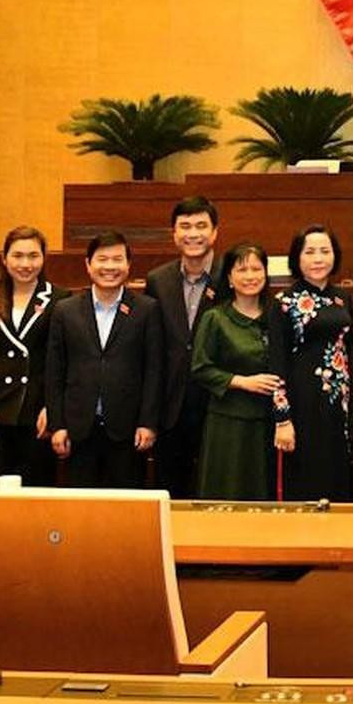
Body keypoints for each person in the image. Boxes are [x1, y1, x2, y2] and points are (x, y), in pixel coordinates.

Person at [45, 232, 164, 488]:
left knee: (127, 509)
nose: (109, 267)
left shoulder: (147, 309)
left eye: (117, 259)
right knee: (81, 511)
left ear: (128, 265)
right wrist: (57, 425)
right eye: (102, 259)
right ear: (88, 264)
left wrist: (148, 423)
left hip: (128, 431)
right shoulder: (65, 310)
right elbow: (54, 372)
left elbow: (154, 371)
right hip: (78, 430)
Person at [192, 243, 289, 500]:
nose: (250, 276)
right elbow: (200, 368)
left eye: (256, 269)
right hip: (227, 423)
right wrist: (241, 382)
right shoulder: (215, 318)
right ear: (229, 278)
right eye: (242, 269)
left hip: (267, 424)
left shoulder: (276, 315)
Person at [0, 226, 58, 485]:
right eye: (17, 256)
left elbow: (60, 362)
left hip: (37, 414)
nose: (25, 264)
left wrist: (53, 407)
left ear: (43, 258)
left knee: (35, 493)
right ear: (4, 259)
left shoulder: (59, 300)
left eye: (33, 256)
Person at [146, 195, 223, 499]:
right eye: (185, 226)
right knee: (172, 491)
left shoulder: (231, 276)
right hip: (171, 404)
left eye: (201, 226)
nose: (193, 233)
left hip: (217, 402)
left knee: (214, 490)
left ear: (215, 232)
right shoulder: (158, 280)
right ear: (174, 234)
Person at [269, 225, 353, 501]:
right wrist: (282, 418)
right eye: (310, 252)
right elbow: (276, 363)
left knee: (337, 471)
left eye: (325, 251)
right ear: (297, 258)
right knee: (306, 475)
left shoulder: (343, 298)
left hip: (339, 402)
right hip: (302, 400)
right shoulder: (283, 302)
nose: (318, 258)